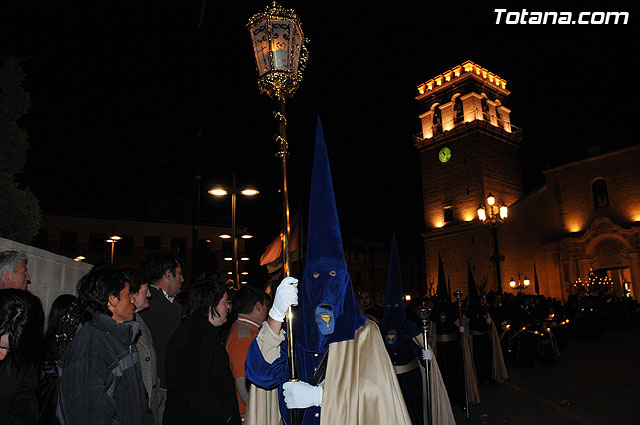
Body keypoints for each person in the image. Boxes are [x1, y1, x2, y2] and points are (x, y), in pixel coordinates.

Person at [245, 120, 411, 425]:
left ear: (345, 282)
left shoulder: (364, 334)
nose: (325, 284)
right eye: (317, 278)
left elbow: (378, 395)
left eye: (333, 277)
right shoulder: (292, 332)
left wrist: (322, 397)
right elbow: (259, 373)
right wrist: (277, 315)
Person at [56, 265, 153, 425]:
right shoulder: (89, 349)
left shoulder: (123, 338)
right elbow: (88, 416)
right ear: (112, 300)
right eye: (128, 294)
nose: (133, 300)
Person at [380, 233, 455, 425]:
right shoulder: (377, 330)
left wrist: (426, 355)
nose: (394, 311)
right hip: (390, 383)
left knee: (415, 415)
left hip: (412, 379)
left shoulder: (410, 327)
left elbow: (418, 349)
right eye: (390, 307)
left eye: (397, 307)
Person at [164, 279, 241, 425]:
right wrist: (225, 417)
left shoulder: (203, 331)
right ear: (210, 303)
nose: (228, 308)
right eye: (225, 302)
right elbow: (196, 387)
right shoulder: (194, 335)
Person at [139, 253, 184, 424]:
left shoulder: (170, 306)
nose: (182, 279)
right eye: (179, 274)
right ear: (168, 275)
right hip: (161, 389)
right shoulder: (157, 307)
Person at [225, 285, 269, 422]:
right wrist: (257, 410)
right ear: (258, 306)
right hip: (247, 414)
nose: (268, 309)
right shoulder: (244, 337)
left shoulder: (247, 330)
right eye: (266, 305)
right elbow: (242, 382)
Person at [0, 288, 44, 425]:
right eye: (1, 345)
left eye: (10, 349)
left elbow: (26, 397)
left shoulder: (24, 354)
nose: (2, 356)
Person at [126, 266, 163, 423]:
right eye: (145, 290)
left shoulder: (141, 322)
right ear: (132, 295)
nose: (149, 294)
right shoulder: (122, 327)